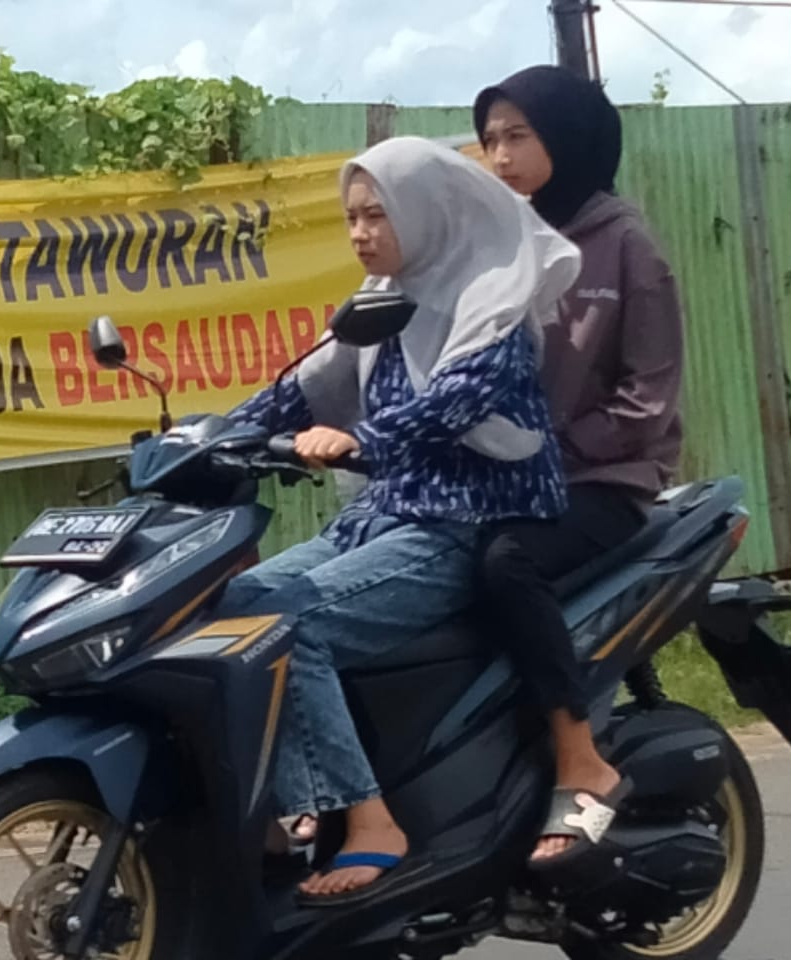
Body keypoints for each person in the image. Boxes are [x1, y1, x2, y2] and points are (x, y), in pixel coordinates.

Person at [220, 136, 579, 898]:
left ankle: (370, 820)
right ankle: (277, 815)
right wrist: (209, 437)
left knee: (288, 624)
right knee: (232, 606)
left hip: (459, 523)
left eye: (376, 215)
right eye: (351, 217)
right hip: (383, 516)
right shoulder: (381, 301)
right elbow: (300, 388)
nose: (358, 233)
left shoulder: (491, 302)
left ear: (426, 212)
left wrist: (361, 438)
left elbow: (454, 401)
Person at [473, 65, 685, 865]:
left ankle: (578, 755)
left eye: (517, 136)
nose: (499, 156)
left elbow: (647, 400)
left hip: (605, 482)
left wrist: (548, 453)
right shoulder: (501, 242)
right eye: (489, 140)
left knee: (506, 562)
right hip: (506, 476)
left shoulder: (627, 247)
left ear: (567, 137)